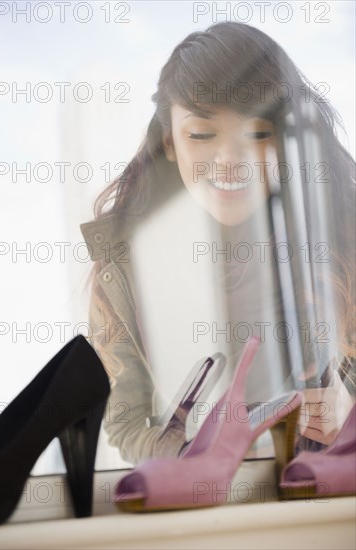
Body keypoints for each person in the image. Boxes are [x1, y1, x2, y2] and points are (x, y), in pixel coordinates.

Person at [80, 22, 355, 466]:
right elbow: (127, 423)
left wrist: (348, 410)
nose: (230, 162)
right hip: (208, 510)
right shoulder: (127, 265)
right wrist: (194, 453)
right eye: (203, 135)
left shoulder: (340, 236)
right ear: (170, 141)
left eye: (259, 134)